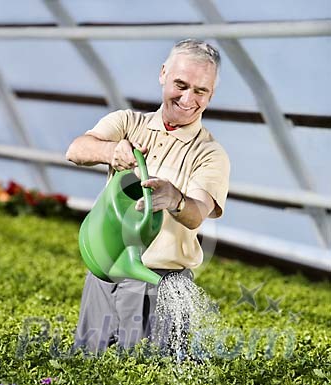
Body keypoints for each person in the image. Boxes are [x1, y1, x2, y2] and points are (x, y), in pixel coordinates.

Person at [66, 38, 230, 355]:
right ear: (163, 73)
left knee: (143, 383)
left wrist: (177, 200)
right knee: (88, 370)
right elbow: (76, 149)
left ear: (211, 93)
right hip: (104, 274)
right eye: (180, 85)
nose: (188, 98)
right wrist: (111, 150)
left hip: (157, 285)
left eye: (201, 91)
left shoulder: (210, 154)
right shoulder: (129, 123)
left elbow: (198, 212)